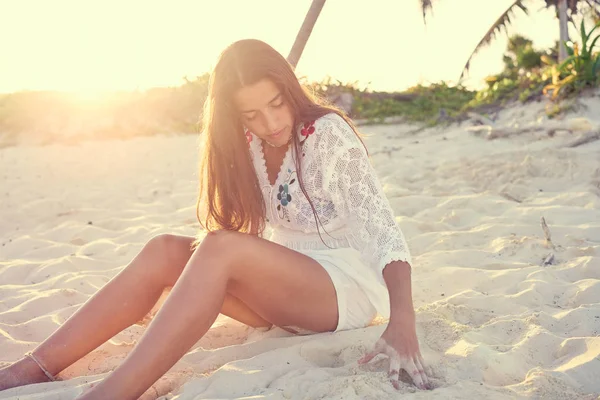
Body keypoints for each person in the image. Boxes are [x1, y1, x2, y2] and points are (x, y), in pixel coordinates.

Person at [0, 39, 431, 398]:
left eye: (277, 104)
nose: (270, 122)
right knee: (165, 250)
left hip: (343, 288)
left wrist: (402, 322)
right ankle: (33, 367)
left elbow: (385, 233)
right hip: (284, 285)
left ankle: (111, 394)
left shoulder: (329, 135)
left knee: (219, 246)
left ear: (290, 90)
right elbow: (244, 230)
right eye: (251, 114)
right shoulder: (246, 143)